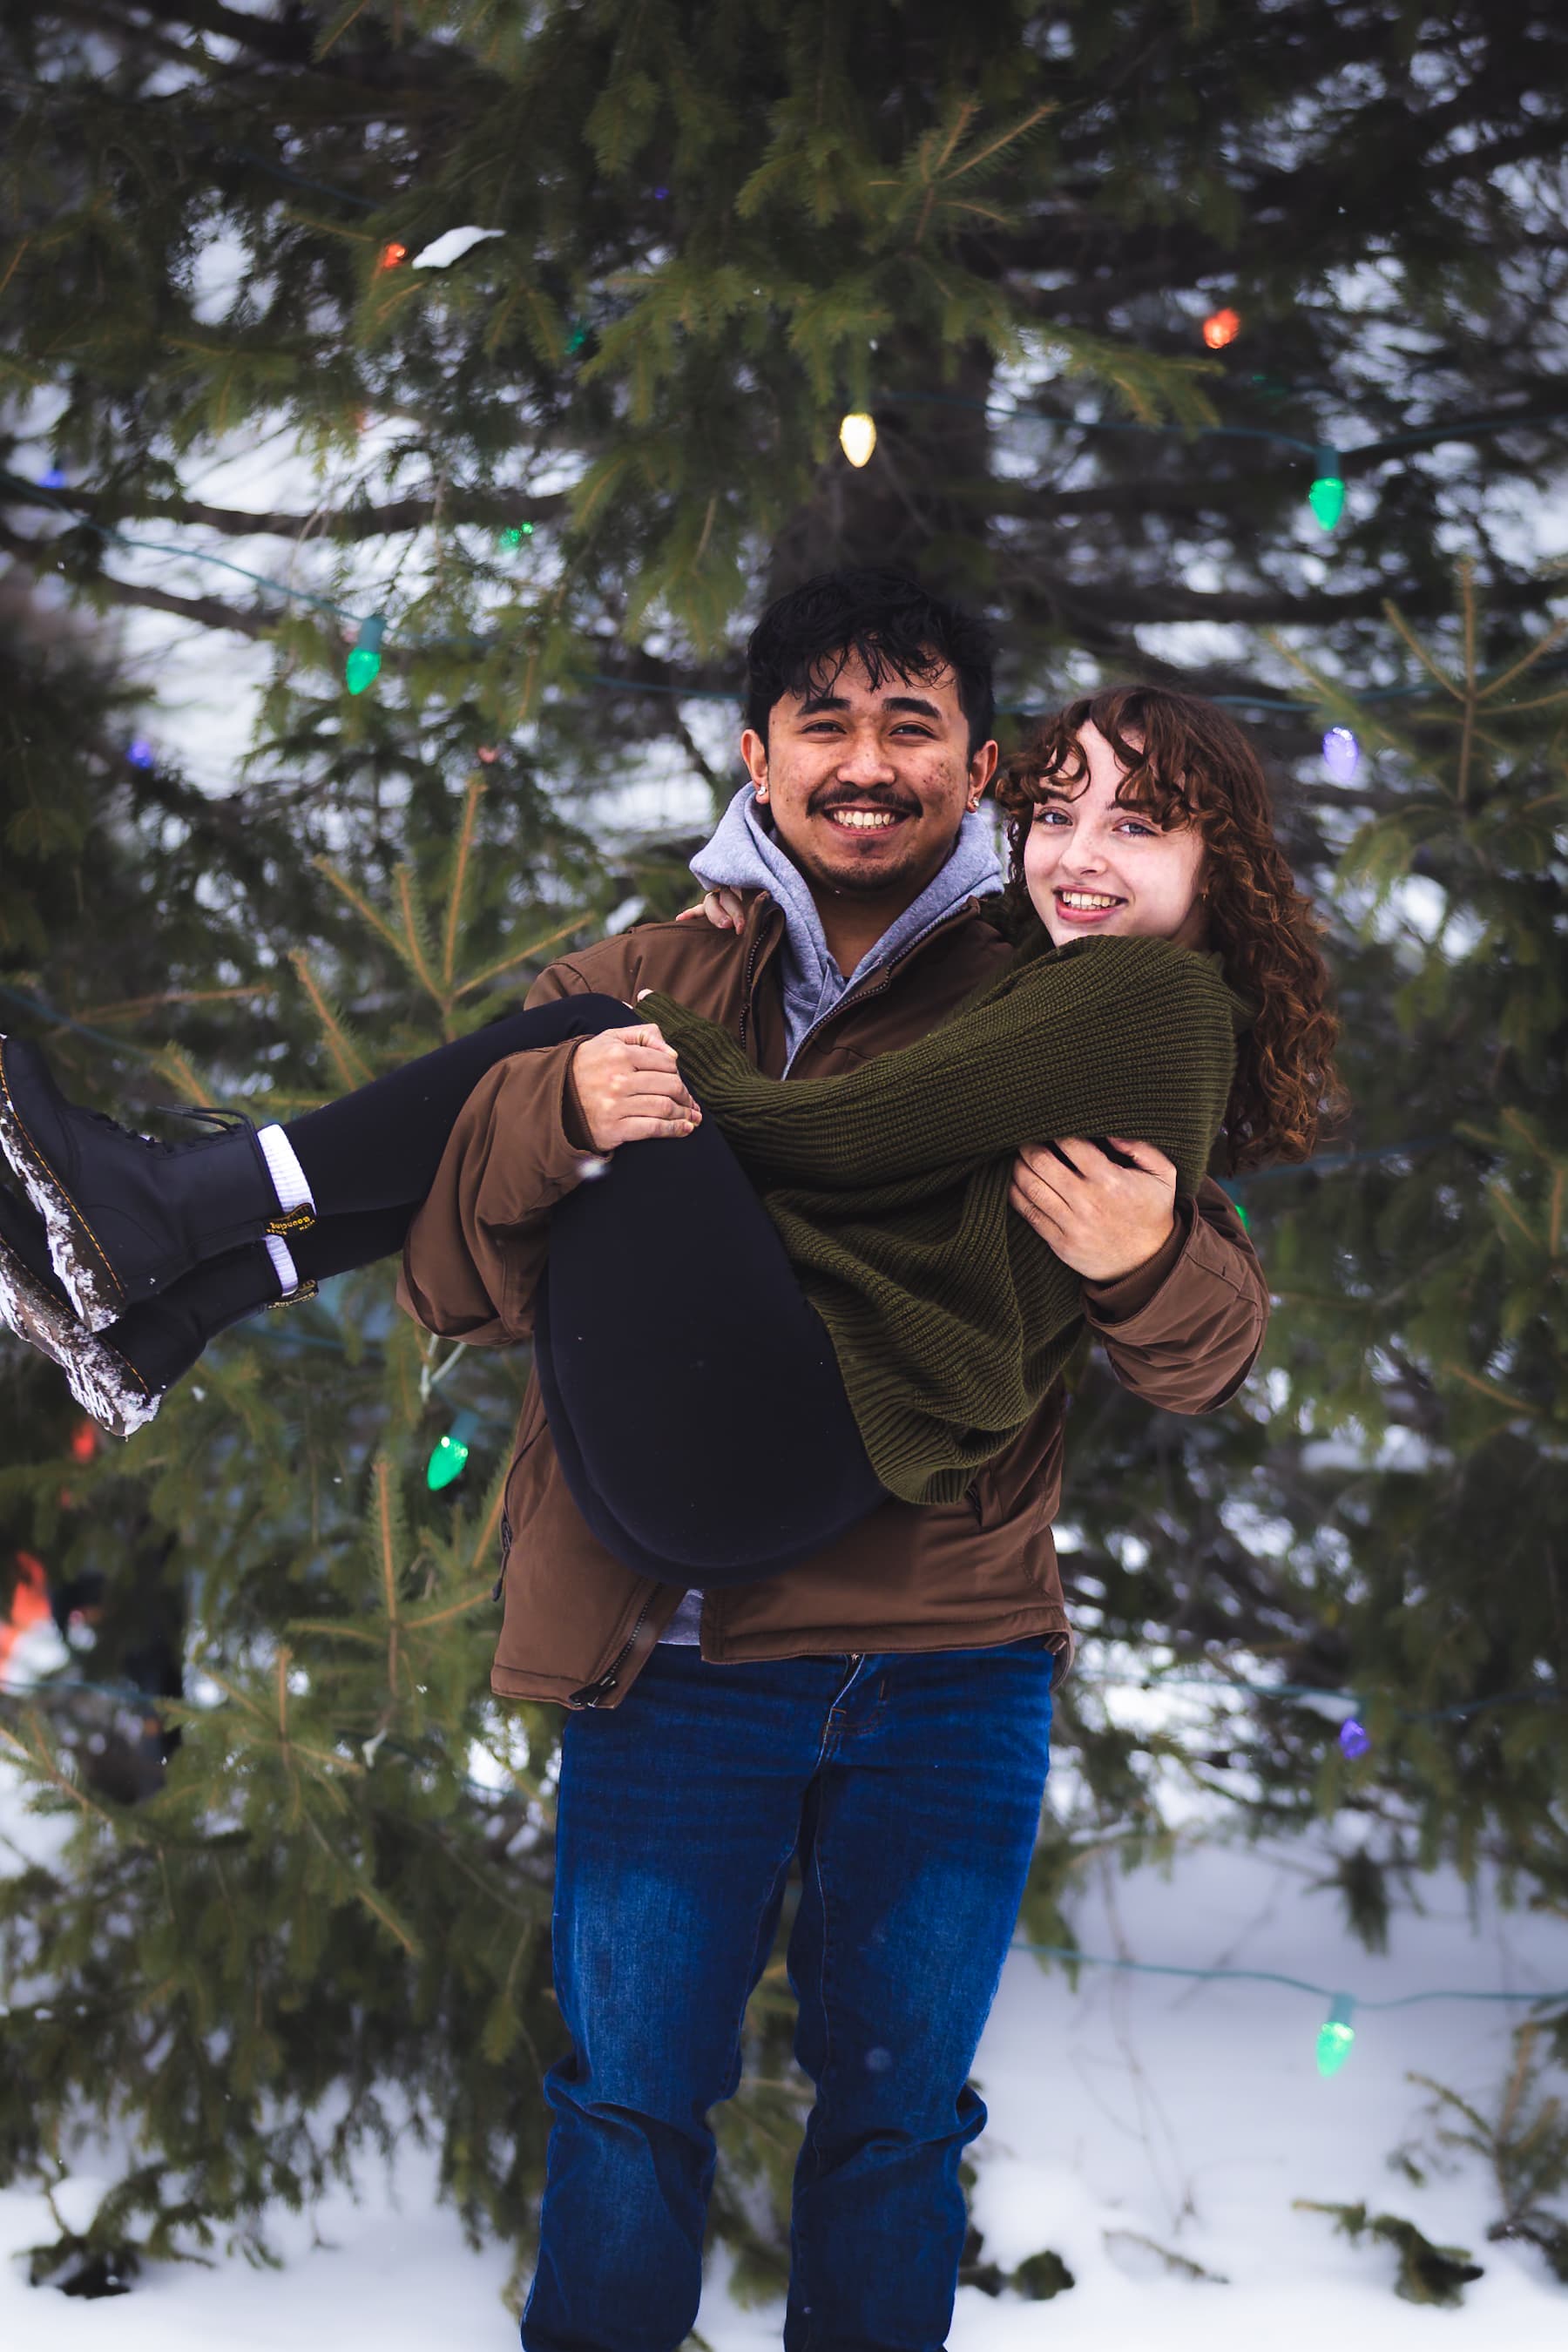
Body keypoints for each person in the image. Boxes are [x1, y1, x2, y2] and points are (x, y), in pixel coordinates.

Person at [0, 569, 1335, 2347]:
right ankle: (176, 1266)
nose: (868, 766)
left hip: (941, 1659)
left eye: (914, 729)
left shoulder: (1067, 979)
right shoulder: (653, 968)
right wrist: (556, 1122)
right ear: (757, 756)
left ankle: (181, 1249)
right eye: (826, 728)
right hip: (681, 1646)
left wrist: (1149, 1263)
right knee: (627, 2118)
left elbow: (1214, 1336)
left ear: (974, 766)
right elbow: (467, 1284)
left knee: (892, 2131)